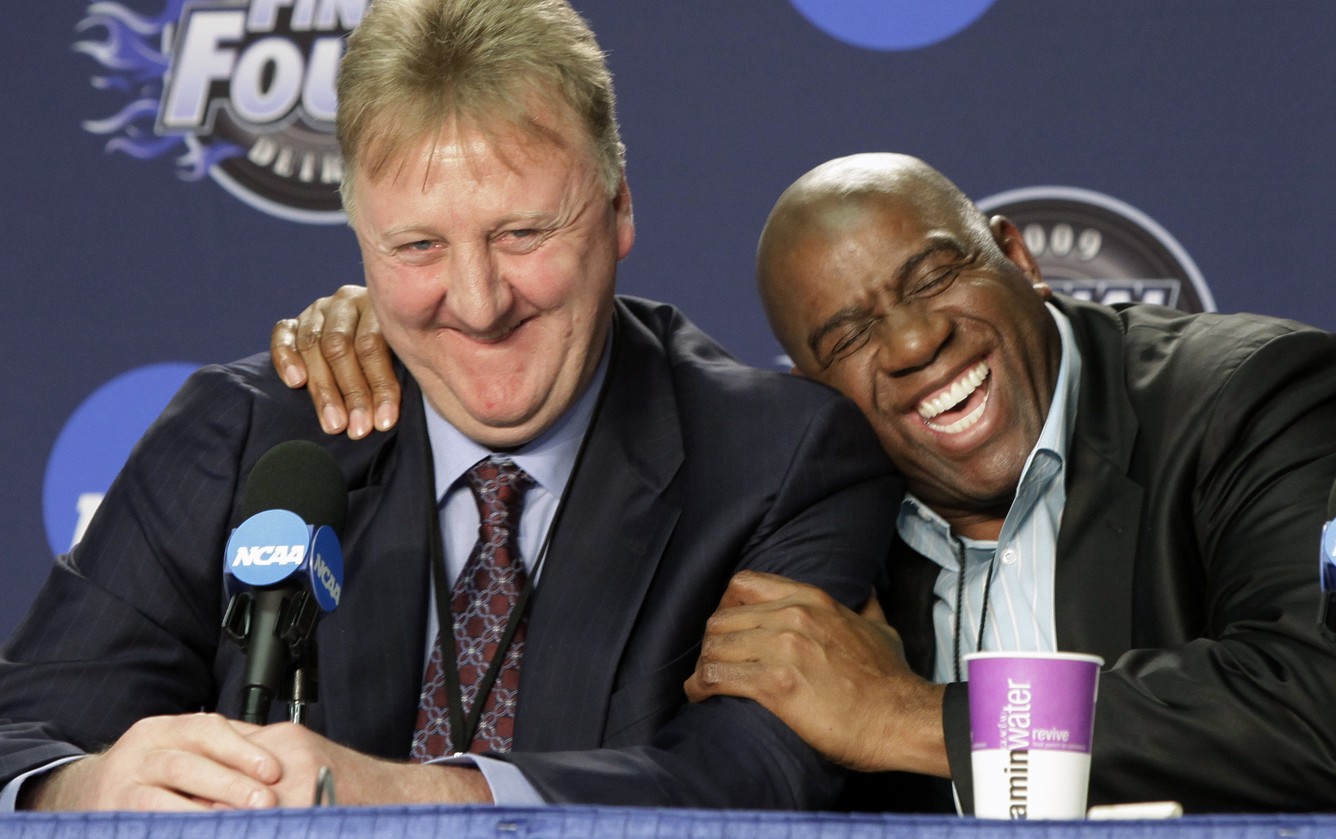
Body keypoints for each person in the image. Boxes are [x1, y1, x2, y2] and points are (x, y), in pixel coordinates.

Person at [277, 152, 1336, 814]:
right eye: (844, 337)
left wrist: (905, 714)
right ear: (811, 383)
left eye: (935, 277)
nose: (912, 341)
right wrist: (414, 324)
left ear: (1024, 259)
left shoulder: (1273, 397)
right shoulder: (810, 505)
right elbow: (590, 376)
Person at [0, 1, 901, 812]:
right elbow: (20, 733)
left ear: (620, 209)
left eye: (522, 234)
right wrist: (82, 789)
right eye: (419, 246)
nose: (477, 301)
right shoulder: (244, 431)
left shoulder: (779, 460)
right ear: (360, 243)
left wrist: (397, 800)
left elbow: (757, 779)